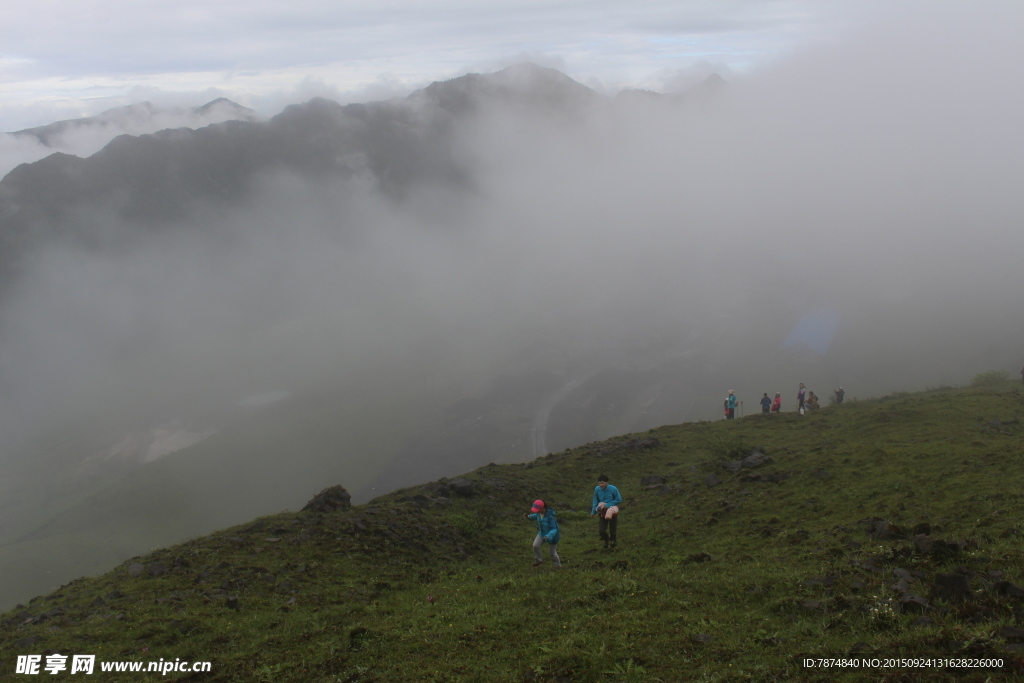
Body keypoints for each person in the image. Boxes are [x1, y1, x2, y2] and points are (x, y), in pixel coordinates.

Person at [524, 500, 561, 567]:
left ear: (543, 508)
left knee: (552, 554)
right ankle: (539, 560)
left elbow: (554, 529)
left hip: (552, 537)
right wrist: (529, 516)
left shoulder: (550, 517)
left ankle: (558, 566)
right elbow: (535, 516)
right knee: (535, 545)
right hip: (542, 533)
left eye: (537, 509)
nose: (536, 511)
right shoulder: (539, 514)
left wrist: (548, 536)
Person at [591, 475, 622, 549]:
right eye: (599, 483)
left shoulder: (613, 489)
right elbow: (595, 500)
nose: (601, 485)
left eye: (603, 483)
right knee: (601, 530)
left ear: (607, 482)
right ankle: (606, 540)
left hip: (612, 510)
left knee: (612, 529)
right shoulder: (597, 489)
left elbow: (618, 499)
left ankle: (613, 542)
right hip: (602, 511)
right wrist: (593, 512)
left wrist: (608, 505)